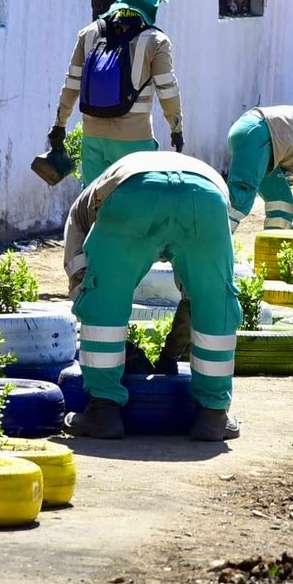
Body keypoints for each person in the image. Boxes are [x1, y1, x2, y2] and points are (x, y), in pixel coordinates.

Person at [62, 151, 241, 441]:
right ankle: (213, 417)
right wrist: (169, 355)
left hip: (133, 193)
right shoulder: (207, 186)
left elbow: (81, 281)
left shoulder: (82, 209)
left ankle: (103, 411)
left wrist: (115, 337)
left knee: (102, 300)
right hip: (206, 195)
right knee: (214, 302)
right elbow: (194, 299)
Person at [50, 0, 184, 184]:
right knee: (136, 207)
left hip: (93, 138)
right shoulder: (156, 41)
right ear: (152, 4)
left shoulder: (89, 33)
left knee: (93, 206)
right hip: (134, 142)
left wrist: (59, 125)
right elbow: (168, 91)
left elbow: (72, 83)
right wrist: (176, 128)